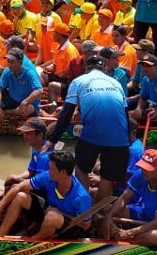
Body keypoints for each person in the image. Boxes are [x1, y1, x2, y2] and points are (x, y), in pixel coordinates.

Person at [47, 54, 130, 202]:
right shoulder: (116, 83)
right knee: (107, 177)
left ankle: (84, 207)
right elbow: (125, 114)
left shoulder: (78, 81)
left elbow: (67, 112)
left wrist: (53, 140)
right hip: (120, 138)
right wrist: (128, 139)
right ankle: (98, 211)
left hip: (93, 133)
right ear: (104, 69)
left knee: (81, 168)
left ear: (86, 68)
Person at [0, 150, 93, 238]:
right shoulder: (48, 176)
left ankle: (34, 241)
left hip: (70, 227)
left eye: (51, 169)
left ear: (63, 173)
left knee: (51, 217)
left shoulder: (81, 197)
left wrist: (59, 213)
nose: (48, 171)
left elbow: (85, 224)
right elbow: (20, 187)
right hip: (50, 210)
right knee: (20, 196)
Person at [101, 149, 157, 248]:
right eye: (143, 167)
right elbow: (124, 198)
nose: (144, 171)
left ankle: (126, 237)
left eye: (148, 169)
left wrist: (129, 233)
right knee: (107, 210)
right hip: (144, 213)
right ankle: (117, 233)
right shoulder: (141, 174)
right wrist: (109, 216)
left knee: (154, 237)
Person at [0, 47, 43, 119]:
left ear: (20, 62)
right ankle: (7, 111)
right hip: (13, 100)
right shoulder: (7, 71)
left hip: (28, 103)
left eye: (12, 62)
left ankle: (5, 112)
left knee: (28, 109)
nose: (9, 64)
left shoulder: (29, 73)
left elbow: (39, 90)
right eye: (8, 61)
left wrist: (25, 102)